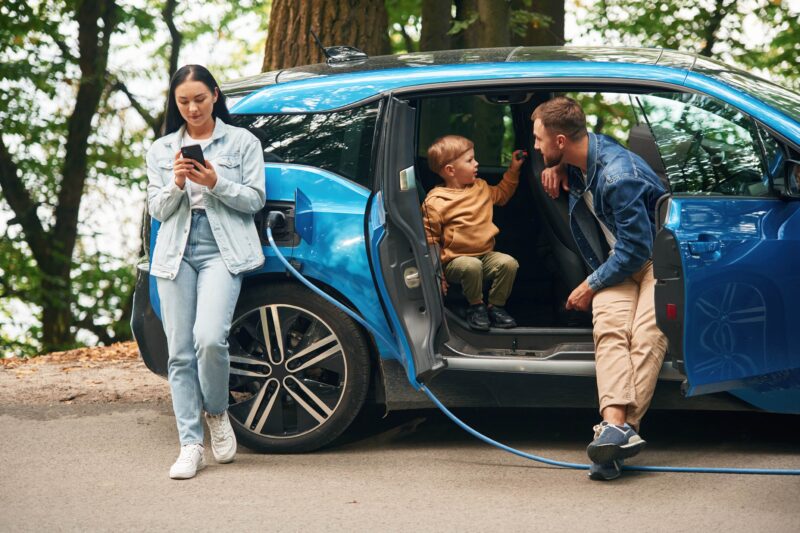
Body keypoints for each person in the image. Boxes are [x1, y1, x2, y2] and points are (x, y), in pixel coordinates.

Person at [532, 96, 668, 481]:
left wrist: (589, 285)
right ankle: (616, 433)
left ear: (561, 140)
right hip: (617, 262)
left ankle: (614, 431)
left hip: (653, 260)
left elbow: (636, 249)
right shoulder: (580, 153)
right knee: (609, 331)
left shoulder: (617, 177)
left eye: (540, 140)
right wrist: (557, 168)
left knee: (647, 334)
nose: (536, 146)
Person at [146, 65, 265, 479]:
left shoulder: (242, 142)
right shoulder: (161, 149)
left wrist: (216, 182)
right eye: (183, 102)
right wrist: (176, 184)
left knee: (209, 339)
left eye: (199, 98)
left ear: (215, 95)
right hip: (175, 251)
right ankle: (190, 444)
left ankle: (216, 412)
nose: (192, 108)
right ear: (175, 104)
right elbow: (156, 211)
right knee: (179, 351)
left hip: (222, 248)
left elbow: (254, 200)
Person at [421, 135, 525, 330]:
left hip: (484, 256)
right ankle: (476, 307)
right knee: (471, 266)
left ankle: (496, 307)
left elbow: (502, 195)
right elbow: (430, 240)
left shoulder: (481, 187)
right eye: (469, 160)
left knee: (508, 264)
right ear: (450, 170)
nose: (476, 163)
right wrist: (437, 274)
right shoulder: (435, 202)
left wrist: (514, 169)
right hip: (455, 262)